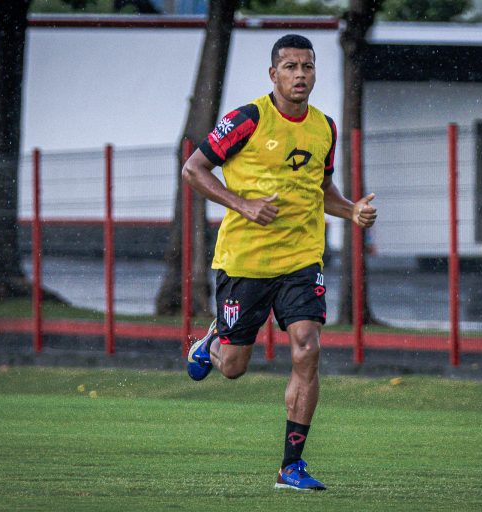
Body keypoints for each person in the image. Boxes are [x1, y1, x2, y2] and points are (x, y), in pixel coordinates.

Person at [182, 34, 377, 491]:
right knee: (233, 366)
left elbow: (322, 192)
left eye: (307, 66)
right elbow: (193, 169)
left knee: (307, 346)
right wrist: (242, 204)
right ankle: (212, 342)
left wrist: (352, 211)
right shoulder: (247, 119)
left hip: (302, 259)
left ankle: (291, 466)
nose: (300, 74)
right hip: (244, 261)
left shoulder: (324, 128)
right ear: (273, 74)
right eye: (290, 66)